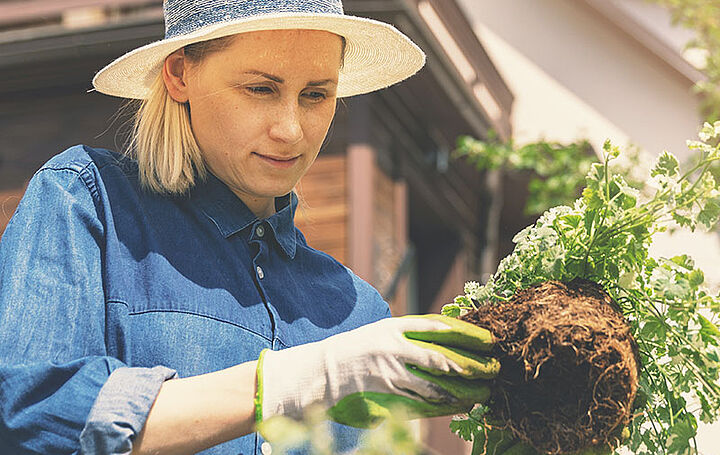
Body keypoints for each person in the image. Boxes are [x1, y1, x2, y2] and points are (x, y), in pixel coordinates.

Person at [0, 1, 503, 454]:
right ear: (179, 75)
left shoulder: (358, 314)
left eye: (316, 94)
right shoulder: (89, 203)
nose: (291, 129)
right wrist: (298, 381)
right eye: (260, 88)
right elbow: (32, 414)